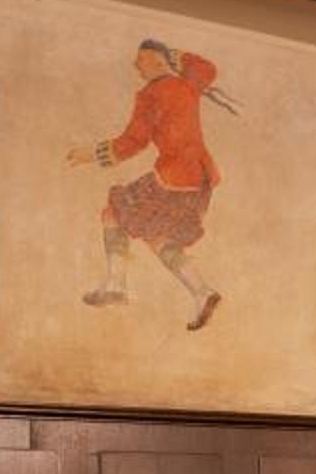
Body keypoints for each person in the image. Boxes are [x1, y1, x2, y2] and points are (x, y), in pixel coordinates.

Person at [69, 38, 226, 331]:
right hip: (200, 177)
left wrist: (91, 154)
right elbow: (207, 69)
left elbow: (133, 142)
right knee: (158, 236)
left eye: (141, 59)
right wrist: (175, 57)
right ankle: (203, 292)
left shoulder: (150, 95)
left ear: (157, 61)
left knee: (114, 212)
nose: (135, 65)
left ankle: (116, 287)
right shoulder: (189, 83)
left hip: (173, 175)